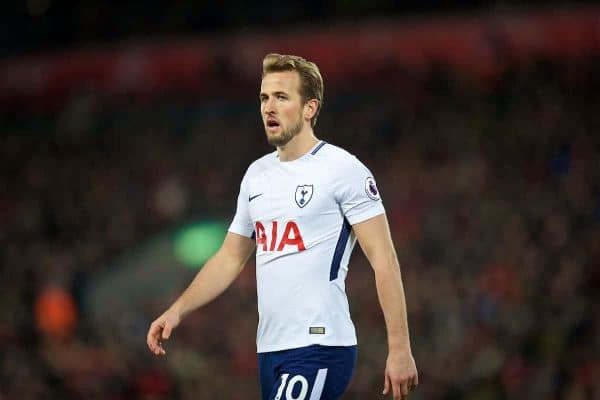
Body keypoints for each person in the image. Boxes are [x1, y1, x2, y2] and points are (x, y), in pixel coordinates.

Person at [147, 53, 418, 400]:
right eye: (264, 97)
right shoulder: (257, 175)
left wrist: (399, 348)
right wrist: (177, 310)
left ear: (309, 108)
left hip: (320, 343)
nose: (268, 107)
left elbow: (385, 259)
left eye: (281, 97)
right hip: (271, 348)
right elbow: (230, 257)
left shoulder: (343, 170)